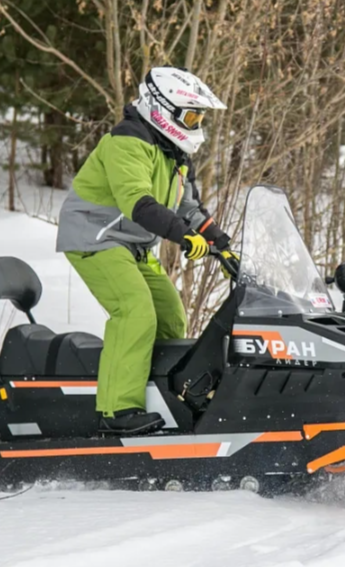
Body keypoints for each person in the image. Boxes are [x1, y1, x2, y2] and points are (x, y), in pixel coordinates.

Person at [55, 66, 238, 435]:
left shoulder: (171, 153)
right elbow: (138, 203)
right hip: (96, 239)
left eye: (199, 117)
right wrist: (184, 237)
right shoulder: (127, 141)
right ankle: (117, 410)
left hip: (133, 246)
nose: (196, 124)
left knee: (171, 315)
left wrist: (221, 244)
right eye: (191, 116)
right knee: (134, 311)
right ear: (162, 109)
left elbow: (187, 207)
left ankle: (164, 399)